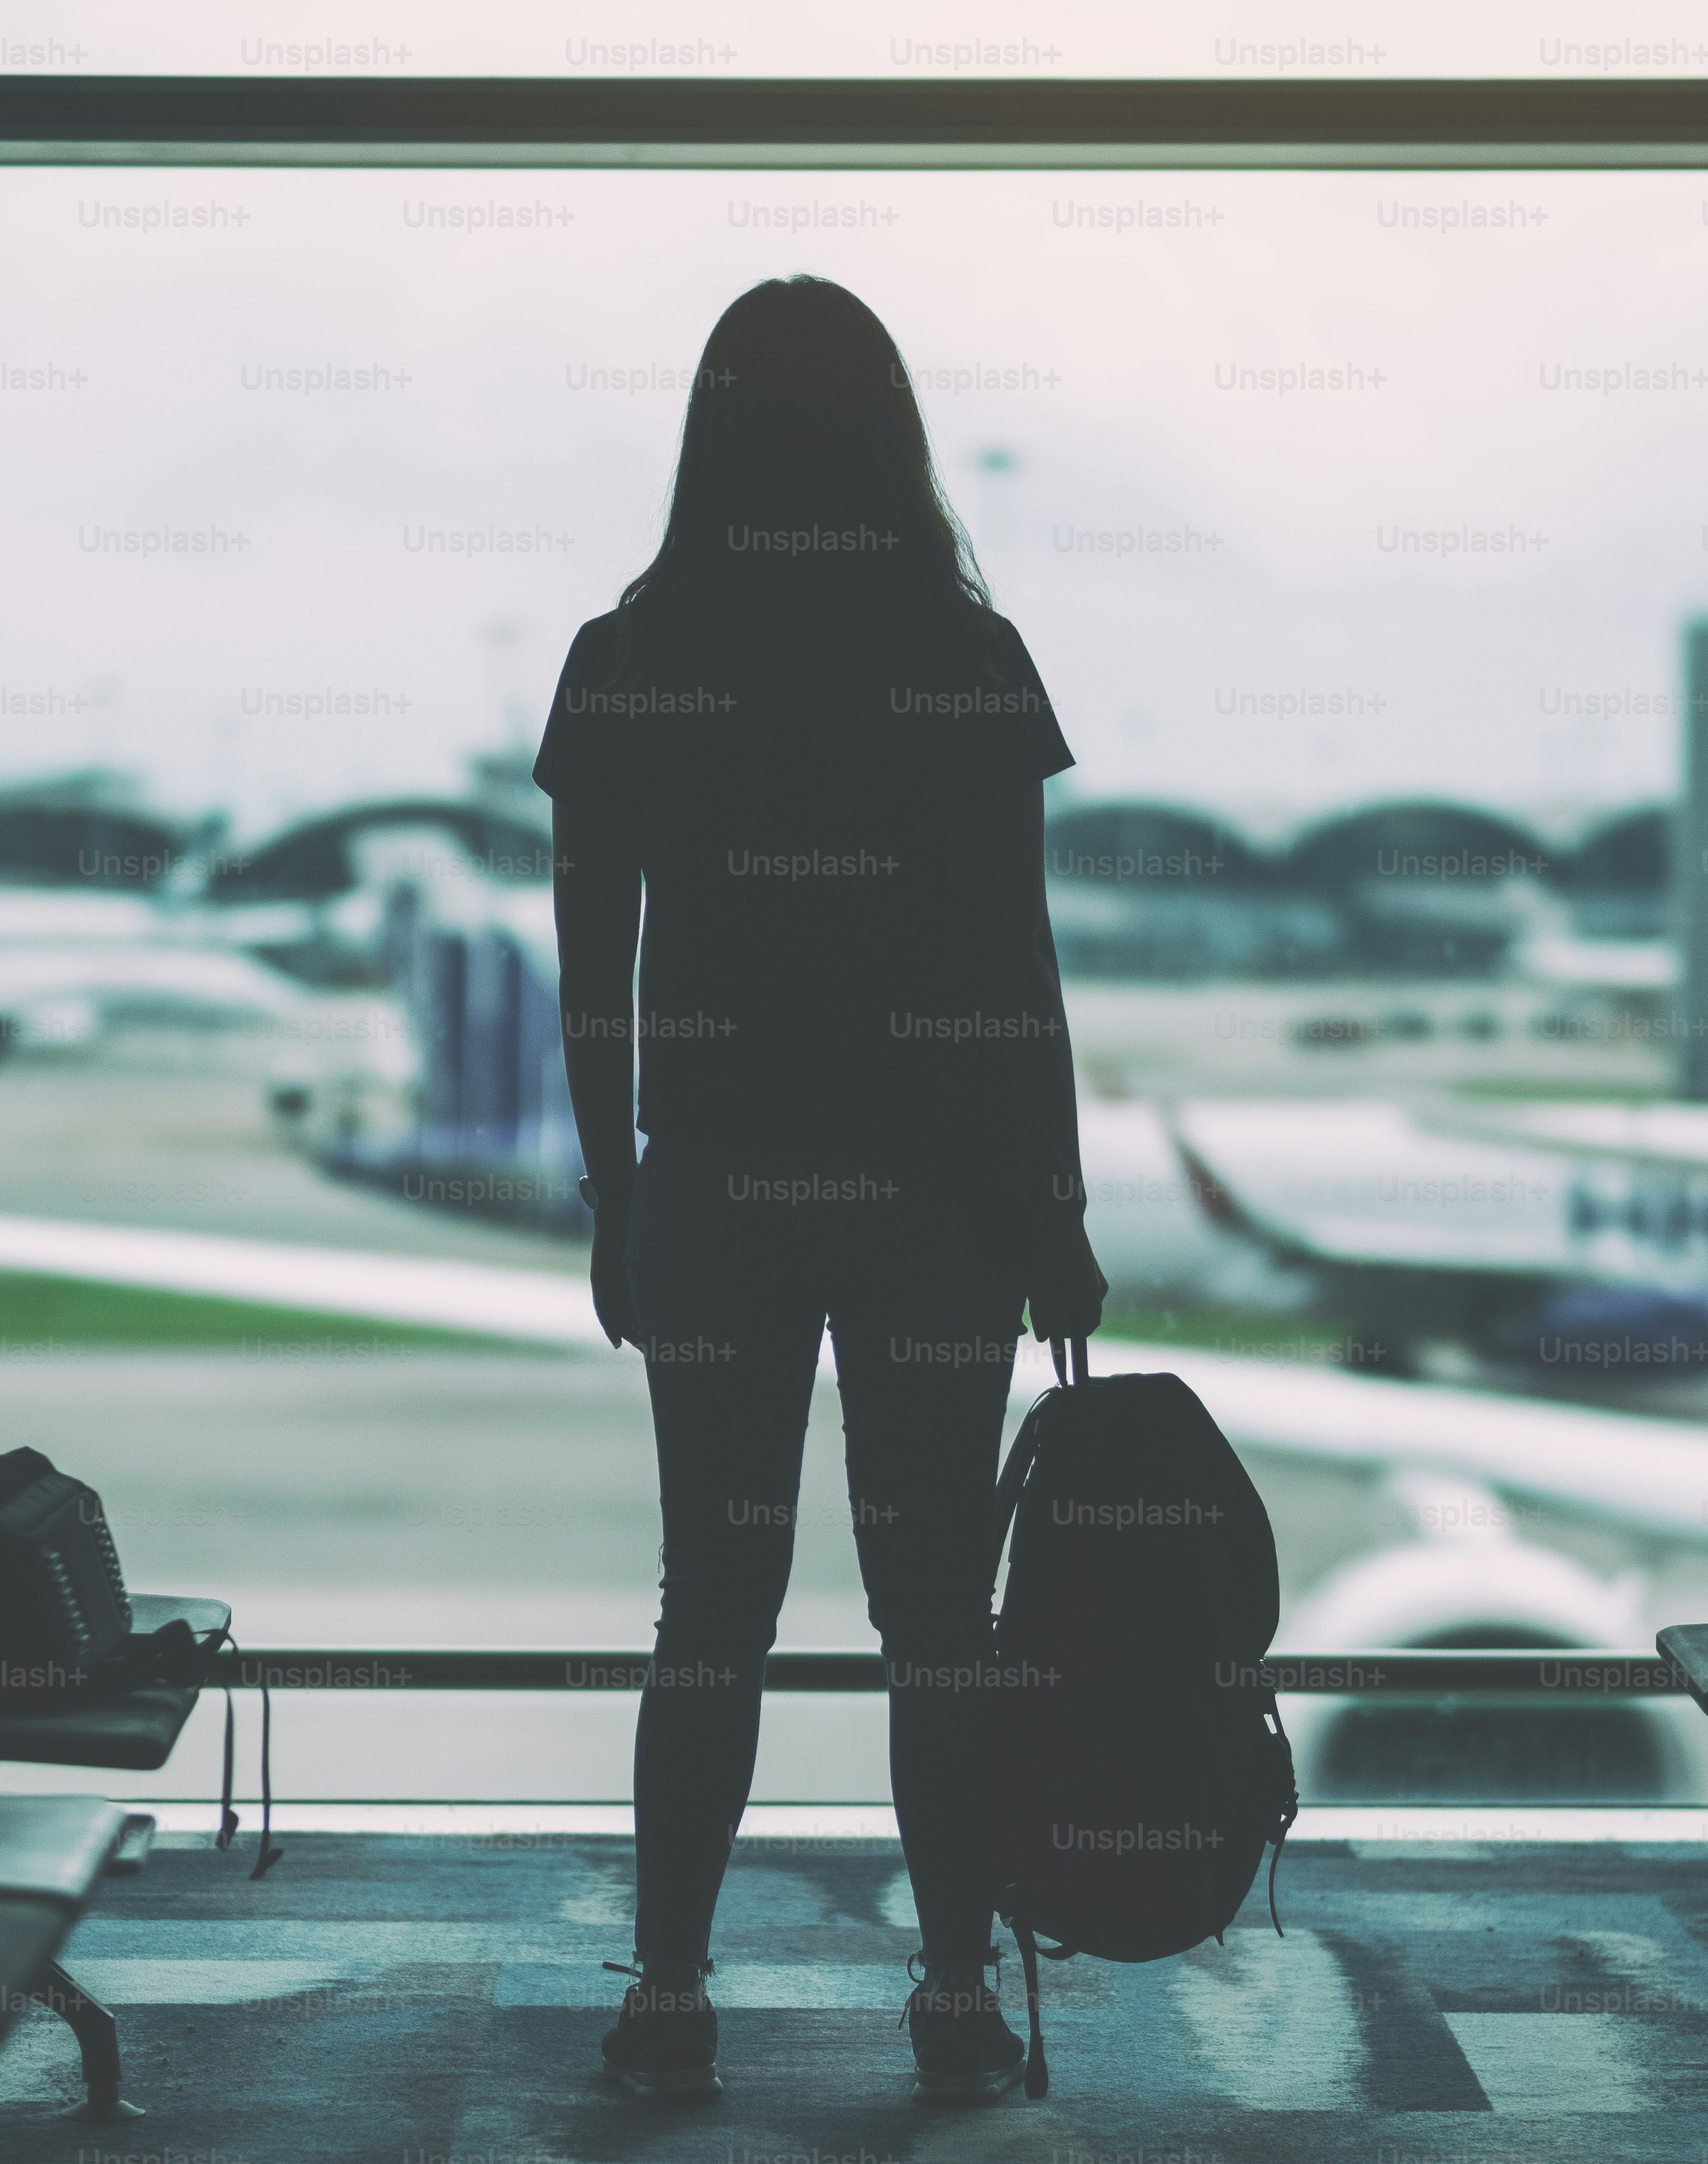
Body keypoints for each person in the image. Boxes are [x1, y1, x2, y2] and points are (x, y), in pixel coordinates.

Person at [537, 274, 1104, 2104]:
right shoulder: (963, 655)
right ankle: (949, 1992)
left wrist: (615, 1191)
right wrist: (1056, 1203)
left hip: (714, 1177)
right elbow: (1018, 966)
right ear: (891, 436)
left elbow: (592, 967)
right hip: (937, 1185)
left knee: (709, 1610)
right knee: (936, 1615)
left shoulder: (625, 661)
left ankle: (674, 1989)